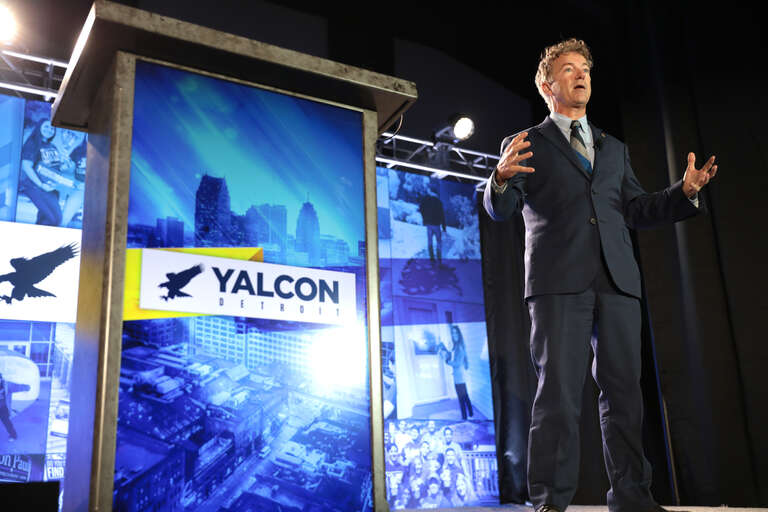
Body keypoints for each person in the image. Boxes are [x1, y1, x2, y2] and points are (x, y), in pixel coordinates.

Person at [483, 39, 716, 512]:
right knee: (559, 397)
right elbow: (501, 209)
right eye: (569, 69)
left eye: (585, 68)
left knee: (625, 396)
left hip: (617, 283)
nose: (581, 74)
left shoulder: (613, 148)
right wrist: (500, 179)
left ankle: (632, 498)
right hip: (557, 284)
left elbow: (635, 208)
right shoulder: (526, 142)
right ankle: (550, 500)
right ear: (549, 86)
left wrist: (683, 192)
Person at [19, 119, 71, 226]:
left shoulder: (52, 147)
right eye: (46, 126)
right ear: (39, 127)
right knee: (55, 219)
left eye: (52, 128)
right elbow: (26, 166)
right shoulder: (33, 142)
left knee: (45, 220)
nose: (50, 130)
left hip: (51, 188)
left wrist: (66, 165)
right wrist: (41, 185)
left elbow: (56, 168)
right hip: (35, 186)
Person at [442, 325, 474, 419]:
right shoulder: (457, 346)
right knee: (465, 395)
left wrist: (447, 362)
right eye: (452, 333)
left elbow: (457, 363)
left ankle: (464, 418)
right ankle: (471, 413)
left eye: (455, 332)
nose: (454, 335)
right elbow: (456, 359)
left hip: (459, 376)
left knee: (461, 398)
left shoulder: (459, 347)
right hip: (460, 375)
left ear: (459, 334)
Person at [418, 187, 447, 263]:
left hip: (429, 224)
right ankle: (439, 259)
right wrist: (444, 228)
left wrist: (424, 219)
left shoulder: (426, 199)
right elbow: (442, 215)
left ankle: (432, 259)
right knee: (439, 242)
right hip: (436, 225)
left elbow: (421, 208)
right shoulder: (439, 202)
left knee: (430, 241)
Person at [0, 372, 28, 442]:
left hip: (3, 408)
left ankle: (13, 435)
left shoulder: (7, 385)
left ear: (1, 379)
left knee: (7, 422)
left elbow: (17, 387)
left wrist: (26, 387)